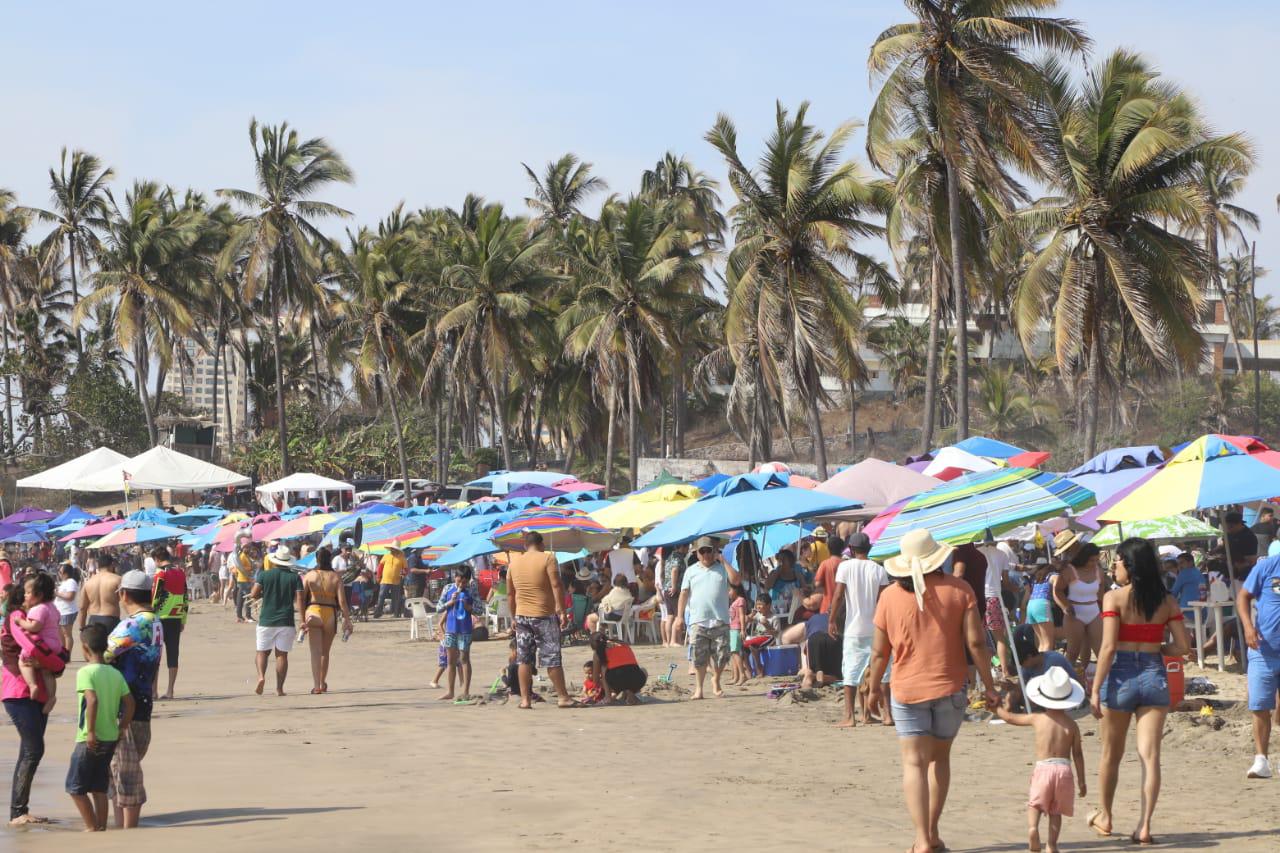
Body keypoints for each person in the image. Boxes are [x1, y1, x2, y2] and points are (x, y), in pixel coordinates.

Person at [866, 529, 998, 853]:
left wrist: (872, 688)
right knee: (939, 759)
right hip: (950, 686)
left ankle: (922, 839)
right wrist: (990, 685)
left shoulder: (889, 597)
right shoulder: (960, 590)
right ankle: (933, 832)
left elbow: (880, 653)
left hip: (907, 689)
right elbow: (976, 643)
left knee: (914, 764)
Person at [1087, 537, 1190, 844]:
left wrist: (1095, 689)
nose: (1114, 567)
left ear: (1129, 566)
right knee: (1150, 756)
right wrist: (1158, 649)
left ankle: (1105, 816)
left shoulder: (1113, 598)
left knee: (1111, 754)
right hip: (1153, 673)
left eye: (1117, 562)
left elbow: (1107, 648)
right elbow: (1182, 646)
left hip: (1120, 675)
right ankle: (1144, 826)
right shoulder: (1166, 601)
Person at [995, 669, 1087, 853]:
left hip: (1043, 769)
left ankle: (1032, 828)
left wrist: (996, 707)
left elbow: (1011, 718)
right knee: (1056, 810)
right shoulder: (1072, 725)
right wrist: (1082, 781)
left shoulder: (1037, 719)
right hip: (1064, 770)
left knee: (1035, 804)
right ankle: (1051, 845)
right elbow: (1077, 754)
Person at [104, 570, 163, 829]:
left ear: (124, 595)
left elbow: (105, 653)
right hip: (143, 701)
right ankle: (122, 827)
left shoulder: (133, 624)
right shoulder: (156, 621)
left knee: (124, 770)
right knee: (122, 768)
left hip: (124, 706)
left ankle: (128, 832)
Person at [2, 581, 64, 826]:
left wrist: (56, 662)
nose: (30, 599)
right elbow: (32, 647)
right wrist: (56, 663)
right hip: (18, 691)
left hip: (37, 693)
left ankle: (20, 810)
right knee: (33, 749)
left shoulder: (38, 615)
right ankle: (18, 812)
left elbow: (57, 647)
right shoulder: (16, 618)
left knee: (29, 750)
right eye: (27, 595)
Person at [67, 623, 134, 833]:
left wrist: (91, 732)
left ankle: (91, 826)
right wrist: (122, 727)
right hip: (110, 737)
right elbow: (130, 703)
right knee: (98, 787)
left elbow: (92, 700)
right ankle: (101, 826)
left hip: (89, 738)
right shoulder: (115, 673)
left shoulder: (85, 672)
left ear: (84, 647)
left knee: (75, 788)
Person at [829, 532, 891, 727]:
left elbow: (838, 595)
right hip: (877, 628)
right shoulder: (879, 569)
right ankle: (887, 715)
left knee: (851, 673)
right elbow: (884, 600)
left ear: (852, 549)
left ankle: (850, 716)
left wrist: (831, 619)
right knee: (883, 672)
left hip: (854, 629)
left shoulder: (845, 567)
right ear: (869, 549)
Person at [508, 530, 575, 708]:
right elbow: (556, 585)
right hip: (544, 615)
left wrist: (513, 616)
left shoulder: (514, 563)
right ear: (541, 544)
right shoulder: (548, 558)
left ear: (525, 545)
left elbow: (510, 593)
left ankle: (525, 700)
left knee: (524, 659)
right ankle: (563, 697)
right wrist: (562, 611)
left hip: (522, 616)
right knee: (552, 657)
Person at [678, 536, 742, 700]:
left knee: (721, 656)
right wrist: (679, 617)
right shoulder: (691, 571)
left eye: (709, 551)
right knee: (699, 657)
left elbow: (736, 580)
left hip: (720, 619)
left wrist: (723, 560)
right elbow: (684, 593)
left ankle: (716, 679)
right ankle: (699, 689)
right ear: (697, 553)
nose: (706, 554)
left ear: (714, 552)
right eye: (703, 551)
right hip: (698, 620)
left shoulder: (721, 568)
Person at [1238, 551, 1280, 779]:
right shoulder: (1267, 567)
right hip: (1263, 649)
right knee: (1259, 704)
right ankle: (1261, 759)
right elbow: (1243, 596)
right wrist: (1247, 627)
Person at [251, 545, 304, 697]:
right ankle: (279, 689)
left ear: (275, 561)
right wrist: (303, 620)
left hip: (266, 619)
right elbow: (299, 599)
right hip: (286, 620)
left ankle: (261, 676)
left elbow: (253, 594)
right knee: (282, 655)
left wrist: (265, 593)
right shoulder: (295, 577)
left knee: (262, 652)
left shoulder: (264, 575)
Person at [301, 546, 352, 696]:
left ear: (317, 559)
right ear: (329, 559)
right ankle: (323, 683)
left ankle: (316, 686)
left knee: (315, 652)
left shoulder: (310, 575)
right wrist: (347, 620)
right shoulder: (336, 577)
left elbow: (301, 598)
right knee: (325, 652)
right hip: (330, 612)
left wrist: (302, 619)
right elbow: (342, 602)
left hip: (313, 610)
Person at [13, 573, 62, 715]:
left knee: (23, 662)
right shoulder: (52, 607)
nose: (25, 595)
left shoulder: (38, 609)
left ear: (39, 595)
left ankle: (32, 685)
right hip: (54, 645)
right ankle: (51, 697)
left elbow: (35, 627)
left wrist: (20, 621)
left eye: (28, 593)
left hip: (42, 645)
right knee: (47, 672)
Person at [1053, 543, 1104, 672]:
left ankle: (1097, 678)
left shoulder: (1098, 571)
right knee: (1073, 652)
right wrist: (1065, 606)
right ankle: (1068, 678)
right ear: (1083, 558)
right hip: (1075, 613)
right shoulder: (1070, 570)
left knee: (1101, 650)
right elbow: (1057, 590)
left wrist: (1103, 606)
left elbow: (1101, 589)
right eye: (1092, 560)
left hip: (1094, 611)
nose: (1094, 563)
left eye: (1097, 560)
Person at [150, 548, 187, 701]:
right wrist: (183, 619)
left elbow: (155, 597)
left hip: (160, 617)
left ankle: (154, 691)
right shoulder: (180, 572)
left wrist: (149, 614)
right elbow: (185, 597)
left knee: (155, 655)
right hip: (176, 616)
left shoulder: (160, 574)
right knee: (173, 654)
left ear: (157, 559)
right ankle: (170, 690)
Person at [439, 567, 474, 701]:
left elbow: (480, 609)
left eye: (464, 582)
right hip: (450, 629)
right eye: (459, 581)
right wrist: (450, 602)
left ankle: (465, 691)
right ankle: (450, 691)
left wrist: (468, 607)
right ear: (455, 578)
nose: (461, 584)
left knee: (464, 659)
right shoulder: (448, 588)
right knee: (450, 660)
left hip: (465, 629)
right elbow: (438, 608)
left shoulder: (471, 590)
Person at [978, 540, 1012, 675]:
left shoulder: (977, 552)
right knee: (999, 638)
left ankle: (985, 672)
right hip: (994, 597)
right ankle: (1005, 671)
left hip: (978, 597)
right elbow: (1006, 580)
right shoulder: (1002, 554)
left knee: (980, 638)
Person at [589, 631, 646, 704]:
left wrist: (604, 687)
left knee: (604, 667)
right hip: (638, 679)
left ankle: (608, 697)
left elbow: (595, 680)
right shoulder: (623, 644)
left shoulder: (598, 652)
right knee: (642, 670)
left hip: (616, 681)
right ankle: (630, 694)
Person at [763, 548, 805, 622]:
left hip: (795, 610)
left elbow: (804, 587)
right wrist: (777, 572)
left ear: (790, 561)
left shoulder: (797, 572)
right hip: (778, 611)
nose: (781, 562)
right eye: (779, 559)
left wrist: (798, 574)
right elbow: (767, 587)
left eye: (783, 559)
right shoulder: (774, 573)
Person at [1023, 558, 1055, 652]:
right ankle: (1047, 661)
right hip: (1042, 604)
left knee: (1042, 642)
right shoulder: (1051, 575)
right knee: (1048, 642)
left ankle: (1041, 660)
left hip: (1031, 604)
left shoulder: (1035, 579)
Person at [659, 544, 686, 647]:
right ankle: (673, 640)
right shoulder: (678, 557)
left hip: (666, 589)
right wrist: (674, 586)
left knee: (670, 616)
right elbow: (675, 570)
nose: (687, 550)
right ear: (682, 547)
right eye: (687, 547)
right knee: (677, 615)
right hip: (674, 590)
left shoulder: (669, 557)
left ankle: (669, 640)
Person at [743, 594, 776, 677]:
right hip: (758, 638)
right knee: (742, 647)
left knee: (752, 645)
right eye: (757, 604)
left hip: (769, 637)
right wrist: (752, 613)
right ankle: (749, 670)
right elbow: (746, 620)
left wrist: (766, 625)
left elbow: (776, 633)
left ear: (768, 605)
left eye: (761, 604)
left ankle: (759, 667)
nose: (758, 607)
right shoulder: (758, 615)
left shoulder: (774, 617)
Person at [812, 535, 845, 614]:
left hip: (827, 606)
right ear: (842, 549)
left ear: (828, 548)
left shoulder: (825, 564)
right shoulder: (846, 564)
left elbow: (817, 584)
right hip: (843, 608)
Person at [372, 545, 407, 618]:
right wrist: (378, 576)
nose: (392, 550)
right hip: (385, 580)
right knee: (381, 597)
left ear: (397, 549)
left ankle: (396, 614)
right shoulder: (386, 556)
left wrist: (403, 574)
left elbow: (406, 569)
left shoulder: (402, 557)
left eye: (394, 548)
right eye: (392, 548)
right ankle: (378, 613)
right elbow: (380, 567)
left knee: (395, 598)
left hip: (396, 581)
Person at [54, 565, 79, 654]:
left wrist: (57, 593)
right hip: (61, 611)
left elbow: (70, 596)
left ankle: (67, 655)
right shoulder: (64, 582)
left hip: (67, 611)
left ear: (66, 573)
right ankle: (63, 653)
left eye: (61, 572)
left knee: (66, 634)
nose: (59, 574)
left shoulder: (71, 582)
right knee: (60, 634)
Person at [232, 534, 256, 624]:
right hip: (243, 579)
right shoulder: (242, 556)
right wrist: (250, 568)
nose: (248, 549)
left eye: (249, 548)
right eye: (246, 548)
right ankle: (245, 616)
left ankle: (243, 616)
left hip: (245, 579)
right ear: (243, 548)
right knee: (245, 598)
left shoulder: (246, 556)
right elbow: (240, 568)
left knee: (244, 598)